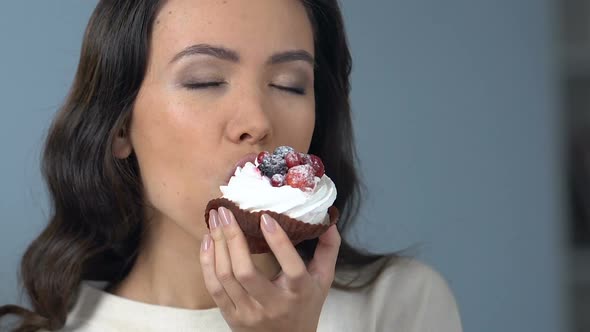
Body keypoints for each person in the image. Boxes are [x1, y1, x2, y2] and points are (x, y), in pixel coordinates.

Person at [0, 0, 462, 331]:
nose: (258, 123)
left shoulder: (398, 304)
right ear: (119, 128)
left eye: (289, 85)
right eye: (204, 82)